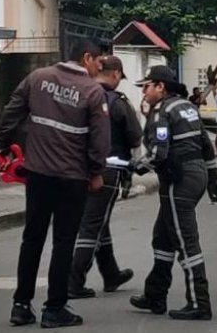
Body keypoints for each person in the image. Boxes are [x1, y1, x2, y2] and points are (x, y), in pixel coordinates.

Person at [0, 38, 111, 328]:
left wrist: (5, 144)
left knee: (32, 238)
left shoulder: (38, 78)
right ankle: (54, 308)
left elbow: (11, 112)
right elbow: (100, 139)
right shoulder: (92, 92)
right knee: (63, 242)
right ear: (87, 58)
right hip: (72, 178)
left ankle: (21, 306)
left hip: (37, 173)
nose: (101, 66)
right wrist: (97, 171)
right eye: (99, 61)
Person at [129, 66, 217, 321]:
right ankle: (155, 294)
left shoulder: (162, 111)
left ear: (160, 87)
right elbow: (206, 145)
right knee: (163, 237)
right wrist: (212, 180)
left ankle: (199, 303)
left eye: (146, 86)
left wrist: (135, 167)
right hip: (197, 174)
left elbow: (159, 153)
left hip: (178, 180)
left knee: (185, 240)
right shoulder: (187, 107)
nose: (144, 92)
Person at [68, 55, 143, 300]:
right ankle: (74, 280)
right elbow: (134, 137)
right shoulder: (118, 101)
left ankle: (110, 273)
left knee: (99, 221)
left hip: (79, 168)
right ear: (116, 74)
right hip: (109, 168)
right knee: (92, 225)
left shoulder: (81, 96)